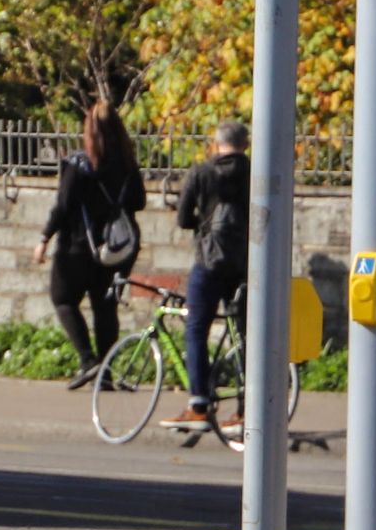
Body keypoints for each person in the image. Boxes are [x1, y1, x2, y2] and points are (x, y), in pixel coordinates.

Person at [36, 101, 144, 389]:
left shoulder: (78, 164)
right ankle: (106, 373)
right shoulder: (128, 165)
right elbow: (139, 202)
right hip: (118, 249)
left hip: (78, 247)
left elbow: (63, 206)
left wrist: (44, 238)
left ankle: (88, 361)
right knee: (106, 308)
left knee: (63, 299)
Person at [164, 120, 253, 432]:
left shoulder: (200, 173)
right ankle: (246, 410)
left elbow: (182, 219)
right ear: (245, 144)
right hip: (245, 263)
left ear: (217, 144)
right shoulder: (255, 172)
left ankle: (199, 404)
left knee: (196, 329)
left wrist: (205, 221)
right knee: (245, 335)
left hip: (209, 261)